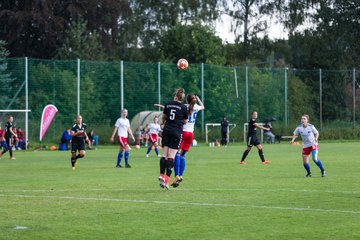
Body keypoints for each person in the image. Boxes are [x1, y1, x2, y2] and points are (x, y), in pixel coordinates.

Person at [171, 94, 205, 188]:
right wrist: (198, 99)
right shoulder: (196, 107)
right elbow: (203, 106)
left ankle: (176, 175)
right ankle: (181, 175)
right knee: (183, 155)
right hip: (191, 134)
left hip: (183, 132)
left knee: (177, 154)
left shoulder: (184, 107)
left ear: (187, 100)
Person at [158, 88, 188, 190]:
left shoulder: (168, 104)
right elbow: (185, 121)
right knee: (171, 156)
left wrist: (162, 124)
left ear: (175, 96)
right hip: (176, 132)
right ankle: (166, 180)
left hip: (166, 130)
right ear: (182, 98)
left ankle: (161, 175)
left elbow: (164, 116)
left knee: (164, 155)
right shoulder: (183, 107)